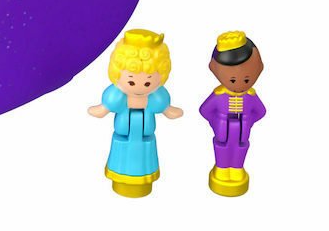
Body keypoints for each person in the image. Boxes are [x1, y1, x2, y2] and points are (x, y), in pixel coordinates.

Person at [88, 28, 183, 197]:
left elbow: (164, 106)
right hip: (122, 138)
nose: (139, 88)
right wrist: (102, 109)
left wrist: (169, 110)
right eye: (131, 82)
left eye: (147, 83)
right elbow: (107, 105)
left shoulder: (156, 96)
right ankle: (119, 180)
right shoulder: (117, 95)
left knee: (145, 162)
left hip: (146, 140)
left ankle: (143, 182)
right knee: (120, 160)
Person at [199, 31, 266, 197]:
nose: (239, 85)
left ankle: (237, 168)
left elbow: (261, 111)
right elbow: (205, 110)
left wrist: (248, 121)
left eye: (246, 79)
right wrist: (217, 122)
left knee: (241, 147)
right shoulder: (219, 95)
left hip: (242, 131)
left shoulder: (251, 96)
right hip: (222, 131)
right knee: (221, 146)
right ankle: (221, 168)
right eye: (233, 80)